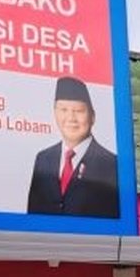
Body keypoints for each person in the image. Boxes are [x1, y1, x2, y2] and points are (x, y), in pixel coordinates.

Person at [26, 76, 120, 218]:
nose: (71, 118)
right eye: (63, 109)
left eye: (78, 111)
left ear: (92, 116)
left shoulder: (112, 164)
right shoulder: (43, 158)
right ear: (55, 113)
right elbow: (32, 214)